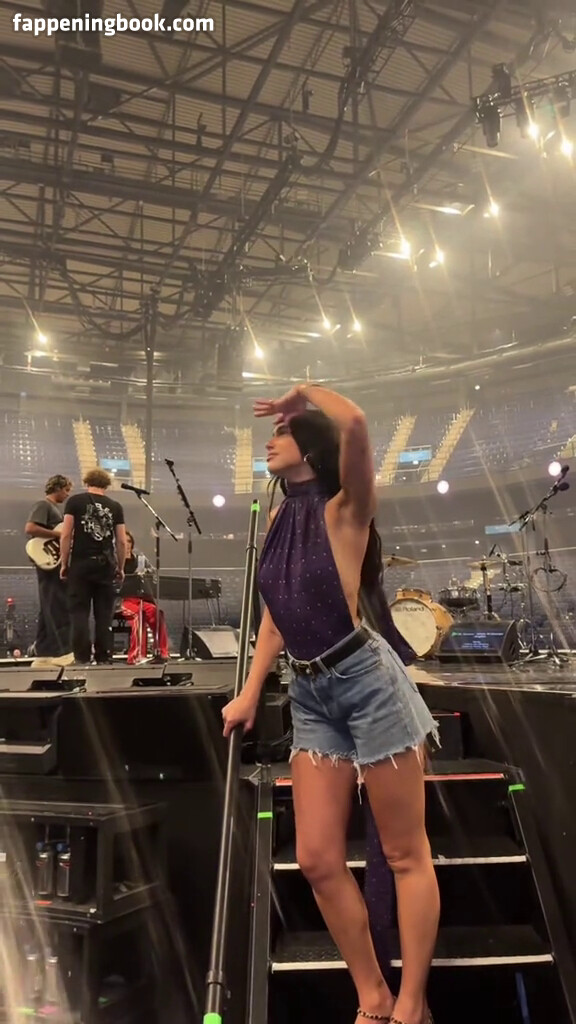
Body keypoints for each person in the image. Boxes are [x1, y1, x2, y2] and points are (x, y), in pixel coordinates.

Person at [222, 384, 439, 1024]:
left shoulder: (347, 509)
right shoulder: (279, 519)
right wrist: (251, 689)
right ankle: (372, 995)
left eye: (282, 432)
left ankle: (410, 1004)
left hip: (369, 683)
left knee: (405, 854)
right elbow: (276, 613)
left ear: (312, 449)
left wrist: (305, 393)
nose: (270, 440)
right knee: (317, 859)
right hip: (311, 693)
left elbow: (358, 421)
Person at [59, 468, 127, 665]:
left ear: (87, 482)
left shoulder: (74, 502)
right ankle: (103, 657)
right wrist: (121, 567)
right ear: (106, 485)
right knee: (104, 614)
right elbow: (122, 541)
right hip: (105, 565)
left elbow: (66, 534)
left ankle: (82, 657)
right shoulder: (115, 506)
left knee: (79, 612)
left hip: (81, 564)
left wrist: (64, 563)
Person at [25, 474, 74, 667]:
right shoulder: (43, 505)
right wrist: (58, 534)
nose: (67, 495)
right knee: (58, 605)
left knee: (48, 607)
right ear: (58, 488)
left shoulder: (53, 508)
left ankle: (44, 652)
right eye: (66, 490)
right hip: (48, 563)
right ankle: (62, 652)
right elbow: (30, 528)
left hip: (51, 561)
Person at [120, 531, 169, 663]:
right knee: (138, 616)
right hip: (123, 601)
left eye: (129, 541)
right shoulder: (114, 561)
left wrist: (147, 573)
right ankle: (136, 656)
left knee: (157, 614)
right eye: (124, 542)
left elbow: (153, 575)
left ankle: (162, 652)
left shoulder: (141, 560)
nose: (127, 544)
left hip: (141, 599)